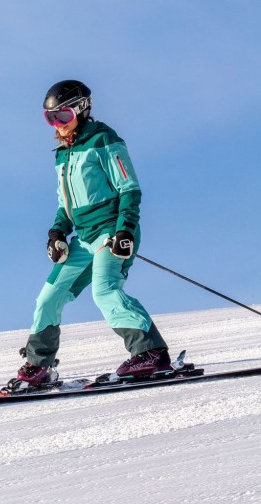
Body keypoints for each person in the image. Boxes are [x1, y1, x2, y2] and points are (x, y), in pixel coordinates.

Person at [14, 80, 170, 389]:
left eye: (64, 116)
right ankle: (39, 364)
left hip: (112, 231)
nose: (58, 125)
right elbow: (66, 203)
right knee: (48, 297)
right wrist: (57, 232)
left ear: (83, 110)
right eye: (51, 118)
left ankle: (150, 352)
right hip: (83, 238)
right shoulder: (63, 154)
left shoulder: (104, 140)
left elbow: (129, 189)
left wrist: (125, 229)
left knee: (105, 290)